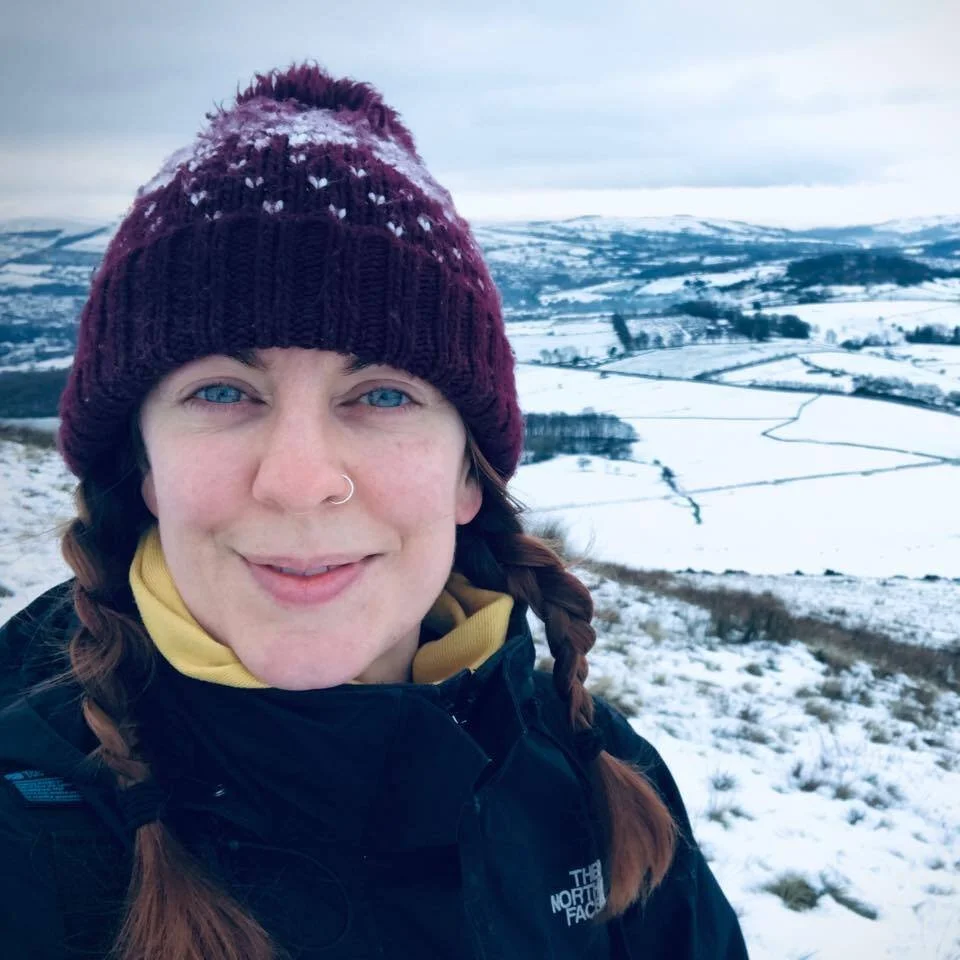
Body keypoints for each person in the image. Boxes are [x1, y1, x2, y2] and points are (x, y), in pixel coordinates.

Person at [0, 63, 748, 960]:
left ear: (468, 476)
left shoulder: (599, 781)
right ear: (146, 468)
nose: (301, 480)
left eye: (384, 395)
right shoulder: (27, 831)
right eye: (223, 392)